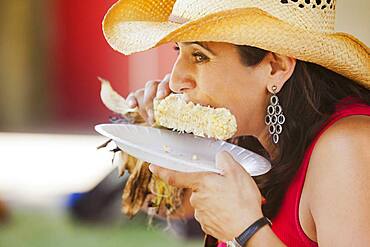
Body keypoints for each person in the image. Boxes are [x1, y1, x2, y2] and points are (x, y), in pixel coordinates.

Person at [102, 0, 370, 246]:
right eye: (178, 51)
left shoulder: (349, 146)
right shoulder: (248, 137)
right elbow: (163, 205)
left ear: (275, 67)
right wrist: (158, 131)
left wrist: (248, 230)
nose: (175, 80)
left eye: (199, 56)